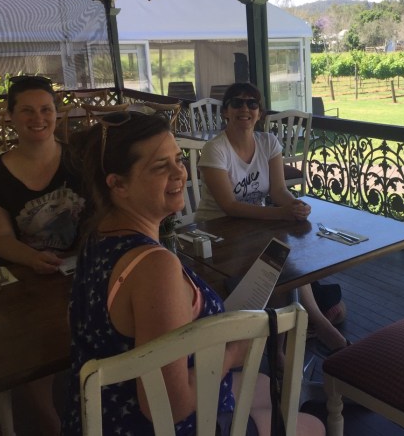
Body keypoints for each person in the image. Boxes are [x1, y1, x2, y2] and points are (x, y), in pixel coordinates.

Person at [62, 112, 323, 435]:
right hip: (153, 425)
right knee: (312, 426)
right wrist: (234, 351)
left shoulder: (96, 238)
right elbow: (168, 405)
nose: (180, 173)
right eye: (161, 166)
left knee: (263, 383)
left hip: (97, 416)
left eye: (178, 159)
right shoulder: (152, 266)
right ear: (118, 184)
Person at [195, 83, 349, 355]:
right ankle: (313, 329)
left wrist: (294, 205)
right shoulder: (215, 149)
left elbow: (278, 190)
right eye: (237, 103)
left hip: (255, 228)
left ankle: (283, 344)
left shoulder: (268, 143)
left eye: (252, 103)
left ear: (260, 113)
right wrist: (280, 213)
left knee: (283, 261)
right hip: (218, 234)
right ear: (226, 112)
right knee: (277, 264)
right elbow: (229, 206)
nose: (245, 108)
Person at [0, 75, 87, 435]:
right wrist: (31, 258)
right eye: (26, 111)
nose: (38, 118)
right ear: (10, 116)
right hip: (23, 281)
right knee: (33, 356)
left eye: (46, 109)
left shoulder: (80, 160)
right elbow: (0, 238)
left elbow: (101, 216)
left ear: (56, 113)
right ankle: (51, 424)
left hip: (81, 272)